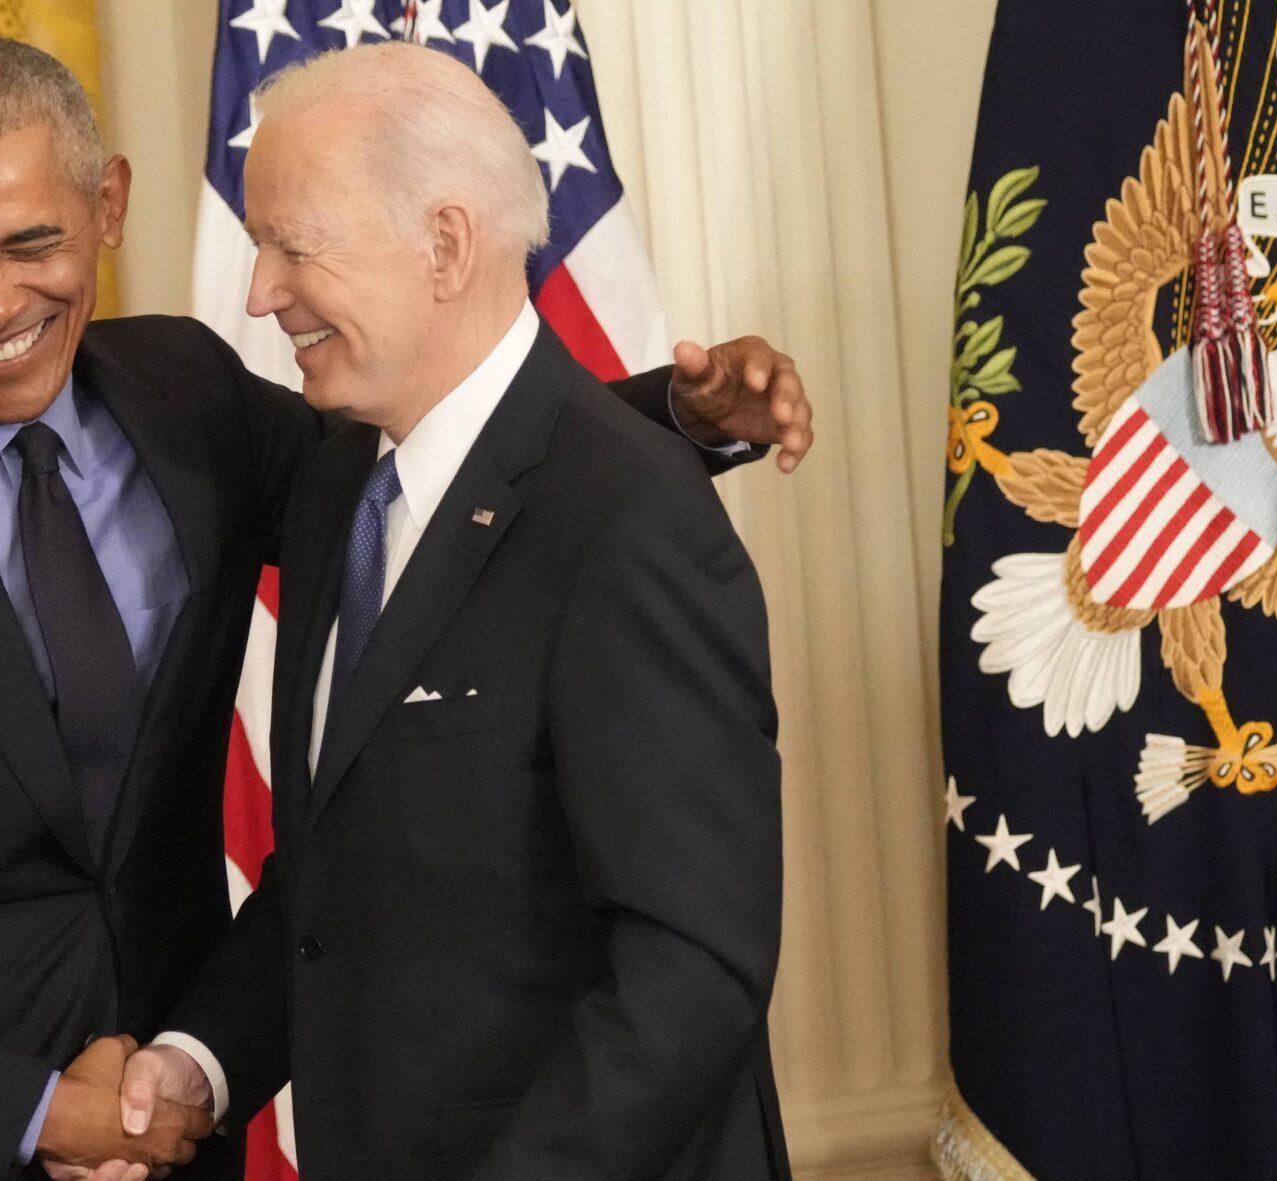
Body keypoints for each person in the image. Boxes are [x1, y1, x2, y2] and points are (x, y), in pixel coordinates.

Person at [0, 36, 809, 1181]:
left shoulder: (189, 398)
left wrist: (678, 421)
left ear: (108, 206)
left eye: (31, 241)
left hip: (181, 1134)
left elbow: (465, 475)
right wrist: (31, 1109)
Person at [118, 42, 790, 1180]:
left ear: (442, 244)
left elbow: (687, 967)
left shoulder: (628, 520)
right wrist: (200, 1056)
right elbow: (341, 876)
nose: (259, 291)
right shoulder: (340, 491)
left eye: (292, 244)